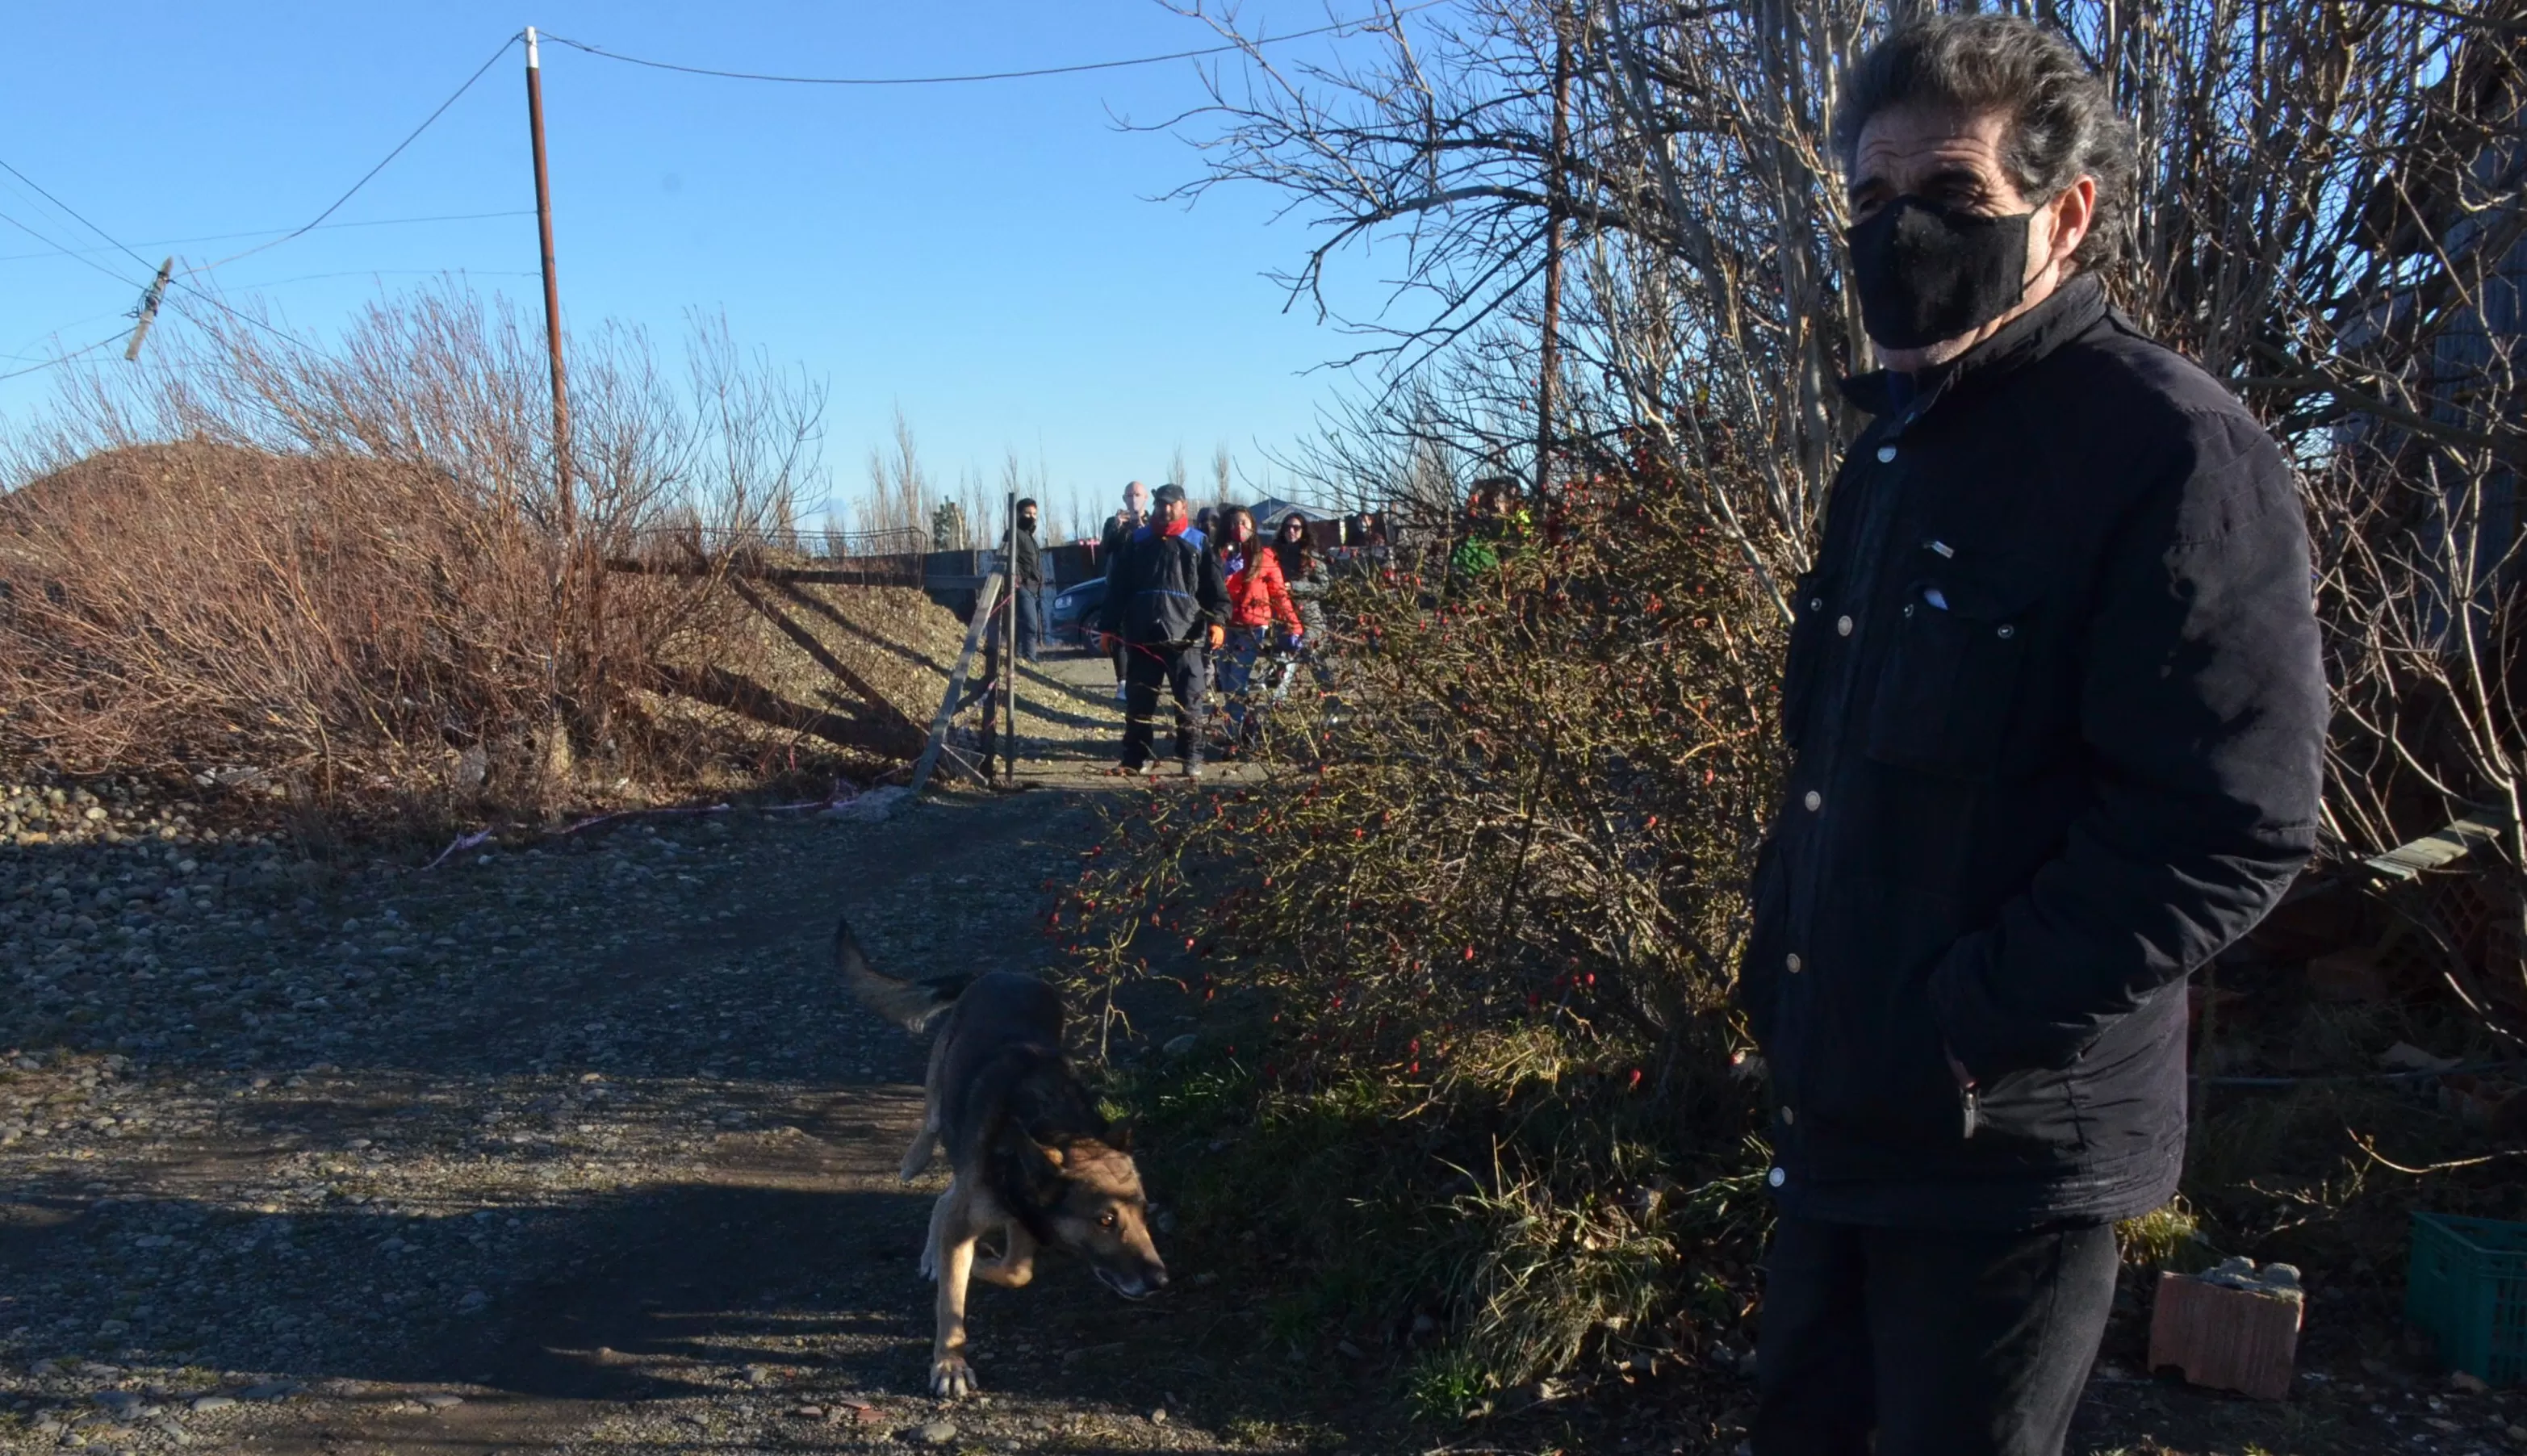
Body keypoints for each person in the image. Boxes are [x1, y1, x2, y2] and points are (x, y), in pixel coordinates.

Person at [1738, 18, 2326, 1456]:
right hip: (1839, 1123)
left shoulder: (2171, 451)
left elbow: (2228, 820)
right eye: (1870, 201)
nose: (1898, 236)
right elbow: (1834, 772)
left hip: (2005, 1155)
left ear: (2062, 213)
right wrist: (1783, 969)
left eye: (1947, 195)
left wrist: (1958, 1026)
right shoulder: (1889, 449)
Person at [1098, 483, 1228, 779]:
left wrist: (1218, 621)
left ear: (1183, 506)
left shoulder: (1198, 543)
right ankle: (1135, 757)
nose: (1164, 509)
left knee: (1190, 703)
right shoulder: (1138, 541)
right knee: (1139, 703)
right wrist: (1107, 627)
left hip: (1186, 638)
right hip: (1143, 636)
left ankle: (1191, 758)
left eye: (1170, 504)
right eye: (1160, 504)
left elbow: (1215, 590)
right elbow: (1118, 588)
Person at [1211, 505, 1302, 751]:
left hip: (1251, 628)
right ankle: (1235, 730)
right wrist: (1224, 571)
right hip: (1224, 626)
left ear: (1252, 525)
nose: (1239, 528)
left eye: (1244, 523)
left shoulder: (1265, 557)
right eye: (1234, 523)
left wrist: (1294, 628)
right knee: (1228, 683)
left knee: (1238, 682)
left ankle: (1234, 736)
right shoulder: (1219, 556)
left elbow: (1279, 595)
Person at [1101, 482, 1151, 700]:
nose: (1133, 499)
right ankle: (1122, 682)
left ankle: (1143, 680)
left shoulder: (1152, 521)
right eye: (1129, 495)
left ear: (1145, 498)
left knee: (1145, 634)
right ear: (1124, 498)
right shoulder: (1113, 522)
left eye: (1137, 494)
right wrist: (1118, 528)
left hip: (1145, 587)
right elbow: (1107, 547)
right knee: (1119, 635)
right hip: (1118, 586)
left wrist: (1142, 527)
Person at [1010, 496, 1044, 663]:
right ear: (1018, 514)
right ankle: (1029, 659)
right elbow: (1012, 559)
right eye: (1028, 513)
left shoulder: (1030, 537)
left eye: (1035, 514)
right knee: (1030, 625)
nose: (1032, 517)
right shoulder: (1014, 534)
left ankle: (1021, 657)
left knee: (1026, 625)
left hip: (1034, 588)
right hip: (1022, 586)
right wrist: (1017, 580)